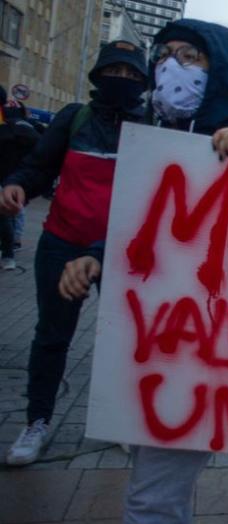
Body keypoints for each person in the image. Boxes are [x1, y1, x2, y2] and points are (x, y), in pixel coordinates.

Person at [54, 20, 228, 524]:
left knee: (150, 500)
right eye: (167, 54)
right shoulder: (149, 145)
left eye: (191, 57)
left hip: (208, 355)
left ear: (220, 70)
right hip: (153, 350)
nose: (173, 66)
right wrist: (95, 256)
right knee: (161, 499)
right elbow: (139, 226)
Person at [0, 40, 149, 464]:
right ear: (98, 75)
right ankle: (37, 423)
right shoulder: (73, 119)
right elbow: (38, 166)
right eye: (114, 72)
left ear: (143, 82)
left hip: (123, 254)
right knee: (52, 336)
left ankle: (122, 423)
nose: (121, 81)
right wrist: (17, 186)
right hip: (61, 244)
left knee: (125, 341)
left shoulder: (152, 125)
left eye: (131, 76)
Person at [0, 91, 40, 270]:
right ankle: (10, 252)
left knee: (5, 216)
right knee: (11, 215)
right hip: (20, 178)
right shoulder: (30, 127)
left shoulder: (6, 126)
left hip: (7, 175)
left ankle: (8, 254)